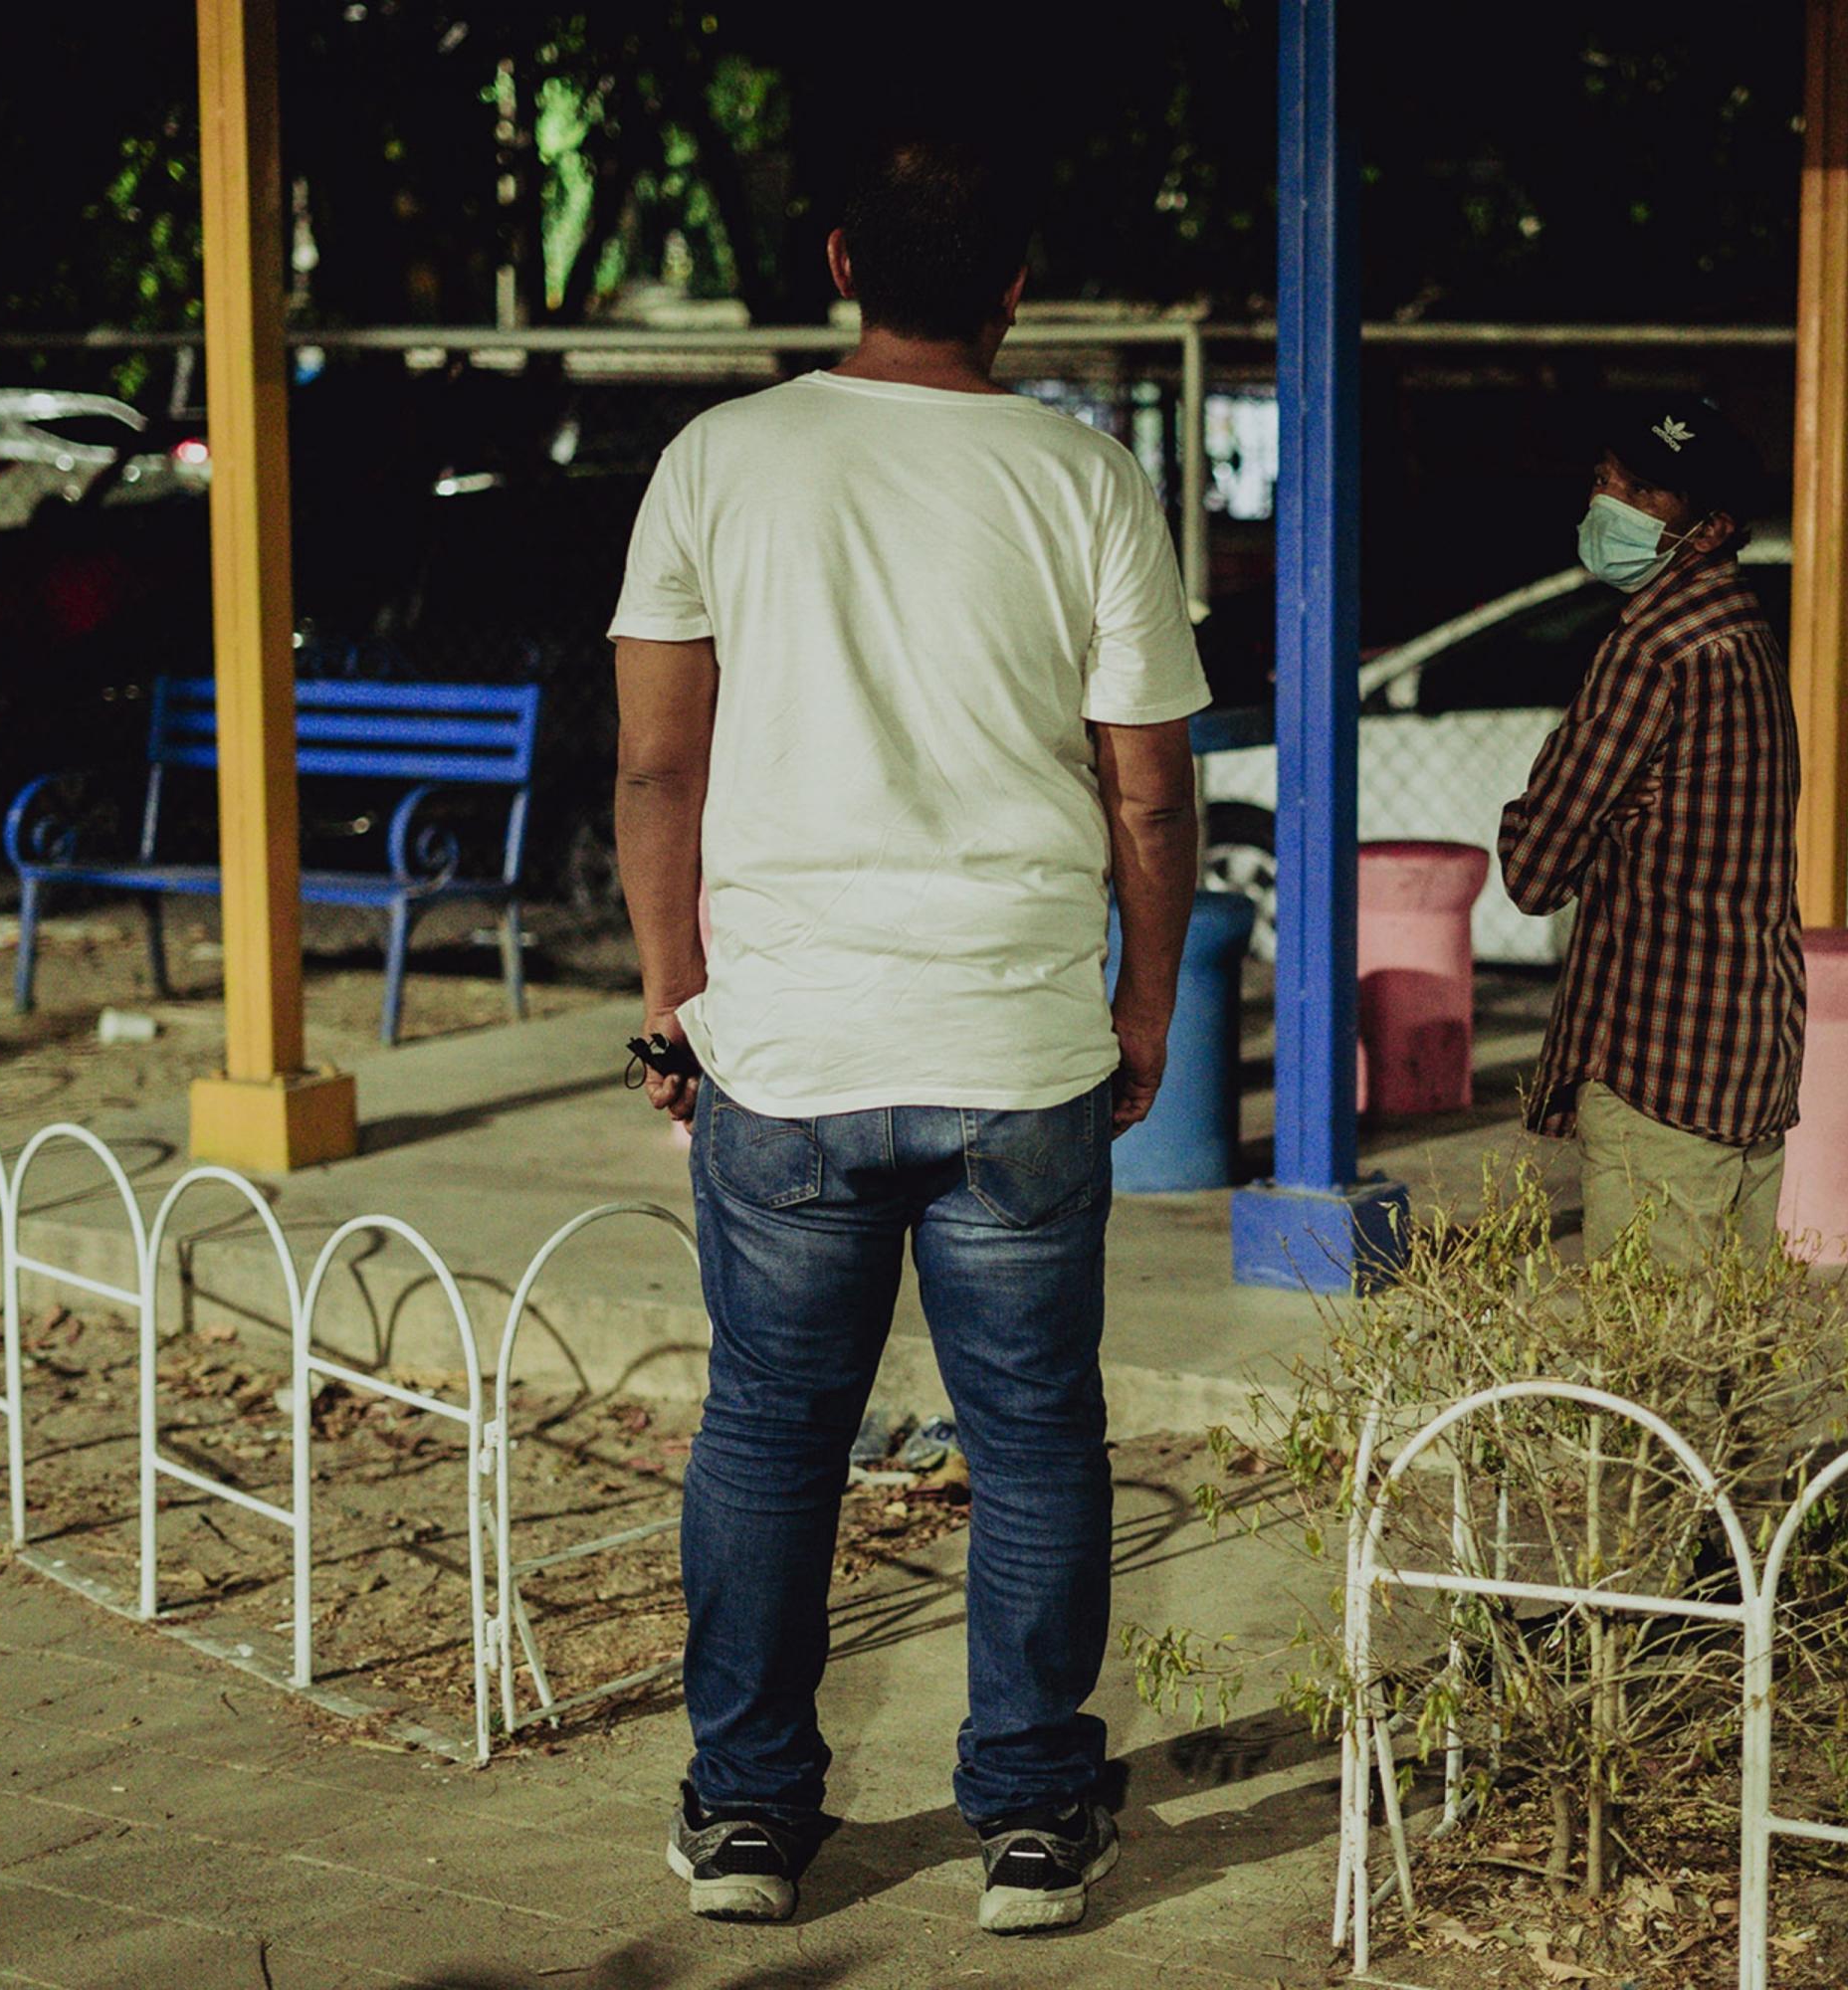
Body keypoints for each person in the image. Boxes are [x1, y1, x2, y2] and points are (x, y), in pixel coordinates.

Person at [607, 127, 1207, 1934]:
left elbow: (656, 762)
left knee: (772, 1434)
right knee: (1034, 1439)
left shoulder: (720, 459)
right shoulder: (1083, 478)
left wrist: (669, 1008)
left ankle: (749, 1826)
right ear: (1021, 283)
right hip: (1017, 1043)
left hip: (782, 1046)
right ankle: (1031, 1825)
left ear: (847, 258)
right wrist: (1147, 1004)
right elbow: (1153, 799)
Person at [1499, 399, 1805, 1266]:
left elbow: (1534, 868)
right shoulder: (1742, 632)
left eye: (1648, 494)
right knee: (1726, 1368)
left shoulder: (1653, 650)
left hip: (1660, 1065)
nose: (1615, 504)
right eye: (1610, 480)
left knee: (1649, 1367)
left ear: (1709, 530)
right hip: (1747, 1053)